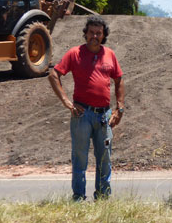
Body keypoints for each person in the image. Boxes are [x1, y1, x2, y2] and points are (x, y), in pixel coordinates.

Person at [48, 15, 125, 201]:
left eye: (99, 33)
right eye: (91, 32)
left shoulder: (110, 55)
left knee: (104, 159)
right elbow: (53, 74)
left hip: (104, 115)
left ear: (103, 35)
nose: (95, 36)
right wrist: (66, 102)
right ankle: (78, 198)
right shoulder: (75, 53)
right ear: (86, 33)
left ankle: (103, 197)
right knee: (80, 158)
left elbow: (119, 80)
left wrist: (119, 108)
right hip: (81, 114)